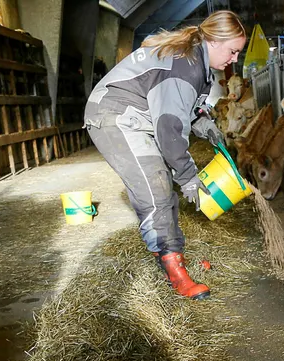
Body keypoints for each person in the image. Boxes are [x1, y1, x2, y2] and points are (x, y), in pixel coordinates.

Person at [84, 11, 248, 300]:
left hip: (138, 114)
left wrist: (205, 124)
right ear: (213, 40)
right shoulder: (186, 65)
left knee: (161, 183)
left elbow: (184, 105)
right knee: (156, 186)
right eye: (233, 51)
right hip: (115, 115)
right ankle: (176, 273)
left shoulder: (196, 59)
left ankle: (174, 256)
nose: (234, 59)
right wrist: (187, 176)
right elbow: (169, 127)